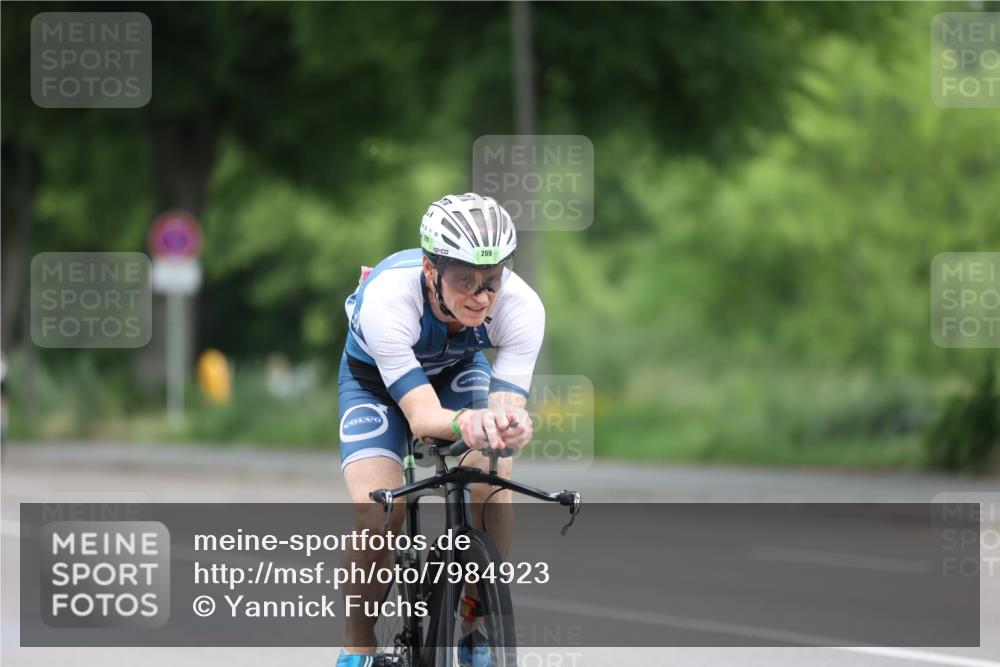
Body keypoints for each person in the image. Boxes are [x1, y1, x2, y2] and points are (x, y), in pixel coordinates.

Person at [336, 193, 544, 667]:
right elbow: (423, 416)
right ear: (431, 271)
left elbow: (504, 410)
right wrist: (468, 422)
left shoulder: (522, 308)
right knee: (378, 514)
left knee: (493, 475)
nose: (481, 295)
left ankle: (474, 620)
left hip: (455, 370)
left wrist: (508, 427)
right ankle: (357, 646)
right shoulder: (389, 297)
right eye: (465, 281)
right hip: (376, 386)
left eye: (491, 281)